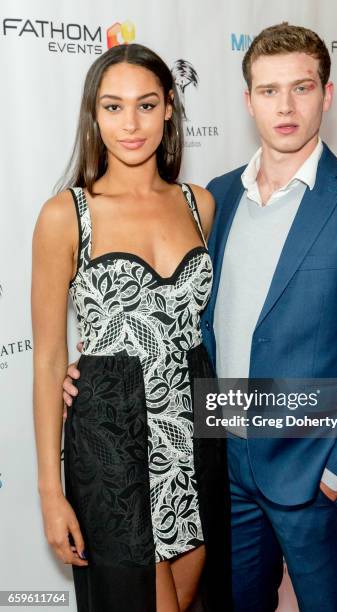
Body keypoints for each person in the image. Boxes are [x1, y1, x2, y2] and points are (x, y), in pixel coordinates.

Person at [63, 24, 337, 612]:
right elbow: (171, 317)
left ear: (326, 95)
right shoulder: (215, 198)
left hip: (314, 476)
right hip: (220, 470)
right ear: (247, 99)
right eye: (268, 90)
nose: (285, 107)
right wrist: (86, 376)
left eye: (301, 88)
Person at [32, 43, 231, 612]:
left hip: (196, 434)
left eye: (146, 105)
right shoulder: (66, 215)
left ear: (169, 108)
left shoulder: (201, 205)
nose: (130, 124)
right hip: (111, 441)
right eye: (112, 107)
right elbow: (48, 359)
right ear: (93, 116)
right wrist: (50, 491)